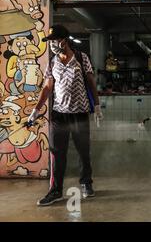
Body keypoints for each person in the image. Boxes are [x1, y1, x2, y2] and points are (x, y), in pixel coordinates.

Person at [28, 24, 103, 206]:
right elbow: (47, 88)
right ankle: (55, 191)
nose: (52, 44)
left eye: (54, 41)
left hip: (80, 114)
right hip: (59, 115)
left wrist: (98, 106)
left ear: (64, 40)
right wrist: (35, 111)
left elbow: (91, 82)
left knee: (83, 152)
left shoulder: (81, 58)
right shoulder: (53, 62)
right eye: (50, 41)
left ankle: (86, 183)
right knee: (57, 154)